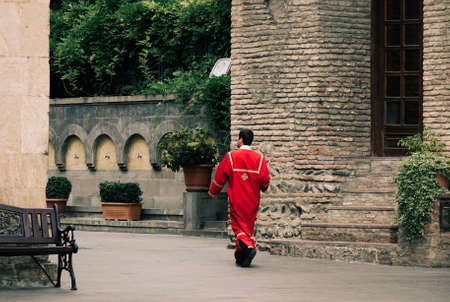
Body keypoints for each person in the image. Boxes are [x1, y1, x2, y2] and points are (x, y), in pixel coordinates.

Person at [208, 129, 270, 267]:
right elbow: (265, 181)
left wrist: (213, 192)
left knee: (238, 227)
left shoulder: (231, 156)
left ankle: (249, 246)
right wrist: (263, 188)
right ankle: (241, 257)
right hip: (253, 200)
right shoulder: (260, 159)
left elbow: (220, 177)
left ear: (241, 140)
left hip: (237, 197)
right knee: (247, 228)